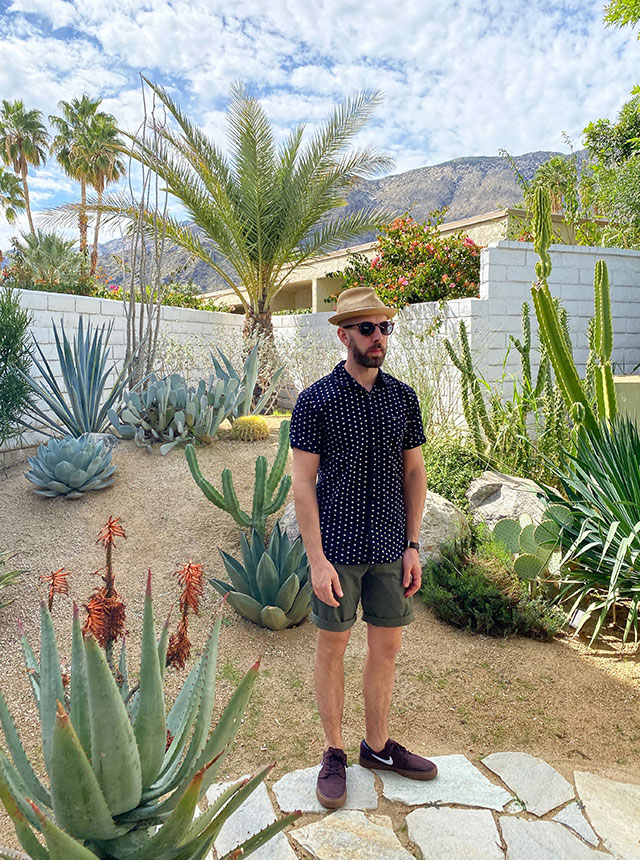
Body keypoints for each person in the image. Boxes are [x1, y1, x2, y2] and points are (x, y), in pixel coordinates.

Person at [290, 286, 438, 810]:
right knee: (333, 648)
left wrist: (414, 543)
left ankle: (376, 748)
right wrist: (316, 560)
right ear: (344, 334)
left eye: (385, 328)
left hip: (391, 547)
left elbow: (414, 470)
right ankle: (333, 753)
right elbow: (302, 484)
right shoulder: (315, 401)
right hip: (339, 550)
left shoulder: (403, 397)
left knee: (388, 648)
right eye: (368, 329)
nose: (379, 338)